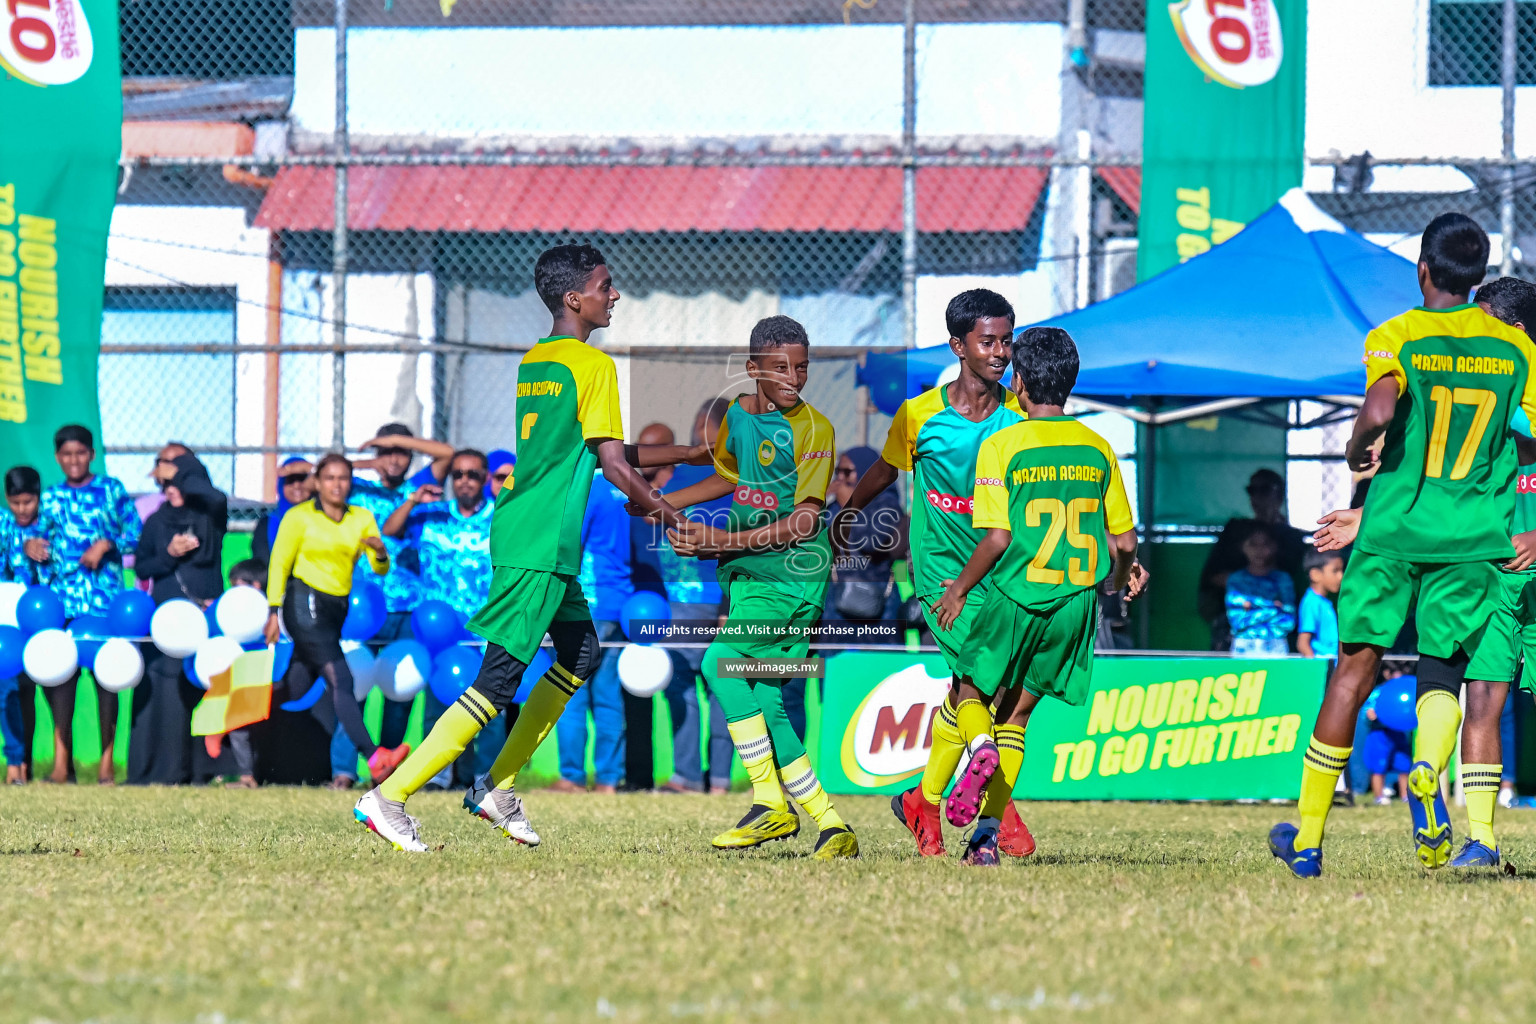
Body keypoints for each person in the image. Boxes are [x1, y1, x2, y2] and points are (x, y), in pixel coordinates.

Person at [354, 243, 696, 852]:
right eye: (604, 285)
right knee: (499, 679)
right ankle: (389, 796)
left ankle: (497, 786)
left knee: (581, 654)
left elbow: (593, 452)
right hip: (538, 541)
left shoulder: (538, 360)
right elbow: (612, 462)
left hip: (532, 534)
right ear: (575, 298)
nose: (613, 295)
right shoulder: (594, 367)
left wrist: (691, 455)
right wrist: (671, 516)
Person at [1269, 213, 1536, 878]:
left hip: (1393, 532)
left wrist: (1362, 450)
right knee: (1448, 668)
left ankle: (1307, 840)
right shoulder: (1516, 352)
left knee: (1352, 675)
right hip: (1473, 538)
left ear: (1423, 270)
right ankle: (1460, 811)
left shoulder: (1397, 334)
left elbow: (1381, 411)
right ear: (1479, 276)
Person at [928, 326, 1147, 865]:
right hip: (1074, 604)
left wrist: (958, 589)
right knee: (1019, 719)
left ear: (1019, 382)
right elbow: (1123, 541)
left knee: (973, 695)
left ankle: (977, 751)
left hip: (1015, 595)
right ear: (1070, 384)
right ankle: (984, 840)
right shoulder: (1098, 447)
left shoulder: (1002, 443)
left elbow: (998, 537)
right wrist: (1120, 581)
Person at [834, 288, 1032, 859]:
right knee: (983, 688)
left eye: (1007, 340)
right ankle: (998, 816)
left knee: (982, 694)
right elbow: (883, 469)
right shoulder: (920, 414)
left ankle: (921, 800)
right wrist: (848, 513)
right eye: (988, 341)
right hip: (944, 579)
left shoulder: (1020, 416)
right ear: (958, 346)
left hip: (1003, 574)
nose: (1000, 352)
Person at [658, 315, 858, 860]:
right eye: (780, 368)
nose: (794, 377)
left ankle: (770, 802)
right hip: (750, 578)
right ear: (752, 370)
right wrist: (669, 503)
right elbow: (729, 478)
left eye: (802, 367)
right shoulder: (739, 419)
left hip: (792, 580)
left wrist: (717, 538)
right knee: (767, 700)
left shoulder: (814, 428)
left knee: (718, 664)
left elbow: (806, 522)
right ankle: (831, 824)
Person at [263, 452, 411, 786]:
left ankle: (236, 727)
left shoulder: (361, 518)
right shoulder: (300, 517)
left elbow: (380, 569)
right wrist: (273, 610)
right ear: (317, 482)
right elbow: (279, 563)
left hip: (336, 608)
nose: (336, 485)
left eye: (343, 478)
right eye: (329, 478)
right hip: (303, 601)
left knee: (293, 686)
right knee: (341, 680)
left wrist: (380, 551)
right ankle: (375, 758)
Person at [329, 424, 452, 790]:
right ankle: (344, 771)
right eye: (389, 453)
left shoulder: (420, 486)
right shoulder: (359, 487)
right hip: (362, 605)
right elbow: (329, 472)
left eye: (402, 453)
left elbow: (445, 452)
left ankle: (386, 772)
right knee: (353, 686)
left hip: (407, 605)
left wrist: (395, 443)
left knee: (399, 689)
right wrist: (371, 459)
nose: (396, 459)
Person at [382, 448, 500, 787]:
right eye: (458, 474)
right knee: (439, 706)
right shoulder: (431, 515)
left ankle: (485, 779)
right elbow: (389, 532)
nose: (465, 481)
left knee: (490, 709)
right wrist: (412, 500)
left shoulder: (500, 517)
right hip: (440, 633)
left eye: (473, 474)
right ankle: (438, 776)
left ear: (485, 478)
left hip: (485, 628)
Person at [640, 400, 737, 795]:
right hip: (722, 600)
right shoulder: (743, 483)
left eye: (703, 428)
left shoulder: (690, 482)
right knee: (720, 691)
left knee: (684, 686)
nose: (696, 438)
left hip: (690, 601)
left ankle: (689, 777)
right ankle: (718, 780)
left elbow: (650, 515)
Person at [37, 424, 142, 784]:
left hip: (104, 603)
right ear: (57, 458)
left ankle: (107, 764)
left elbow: (135, 534)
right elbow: (36, 541)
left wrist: (107, 543)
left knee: (106, 680)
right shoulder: (50, 499)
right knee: (61, 681)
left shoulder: (111, 491)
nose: (74, 460)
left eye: (80, 453)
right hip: (62, 604)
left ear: (92, 454)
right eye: (66, 454)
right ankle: (61, 764)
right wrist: (32, 548)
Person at [128, 445, 228, 786]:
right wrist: (169, 554)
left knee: (204, 690)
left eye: (178, 478)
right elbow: (143, 565)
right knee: (165, 696)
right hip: (168, 623)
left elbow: (209, 492)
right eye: (165, 480)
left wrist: (182, 470)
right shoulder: (156, 520)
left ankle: (204, 772)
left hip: (208, 618)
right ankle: (162, 771)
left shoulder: (211, 513)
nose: (171, 486)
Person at [1197, 469, 1308, 649]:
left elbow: (1295, 583)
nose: (1257, 496)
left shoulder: (1291, 538)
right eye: (1252, 490)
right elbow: (1214, 577)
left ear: (1279, 495)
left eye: (1264, 490)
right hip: (1239, 622)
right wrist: (1247, 584)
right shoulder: (1235, 531)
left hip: (1278, 625)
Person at [1, 464, 48, 784]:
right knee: (7, 688)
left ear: (38, 498)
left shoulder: (50, 524)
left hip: (42, 620)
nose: (21, 509)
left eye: (28, 502)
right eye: (14, 502)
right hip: (6, 623)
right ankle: (15, 761)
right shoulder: (3, 524)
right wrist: (20, 546)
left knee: (31, 693)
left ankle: (30, 762)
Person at [825, 445, 905, 632]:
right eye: (838, 472)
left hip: (877, 608)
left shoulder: (886, 503)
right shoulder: (834, 507)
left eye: (848, 472)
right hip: (835, 606)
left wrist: (852, 505)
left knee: (875, 661)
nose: (841, 479)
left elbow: (871, 542)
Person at [1224, 525, 1297, 657]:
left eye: (1265, 544)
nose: (1259, 550)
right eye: (1253, 544)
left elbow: (1288, 620)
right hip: (1244, 644)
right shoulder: (1236, 580)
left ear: (1274, 547)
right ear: (1243, 547)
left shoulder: (1282, 579)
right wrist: (1273, 607)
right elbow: (1236, 620)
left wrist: (1251, 606)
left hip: (1275, 643)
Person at [251, 457, 313, 568]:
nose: (297, 486)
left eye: (302, 479)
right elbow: (263, 561)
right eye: (290, 481)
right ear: (280, 485)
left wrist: (312, 468)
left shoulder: (322, 518)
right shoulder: (267, 523)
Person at [1296, 550, 1343, 660]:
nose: (1341, 576)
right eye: (1335, 571)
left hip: (1332, 664)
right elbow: (1303, 643)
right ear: (1315, 574)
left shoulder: (1324, 602)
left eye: (1341, 570)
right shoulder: (1311, 602)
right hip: (1322, 666)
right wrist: (1314, 671)